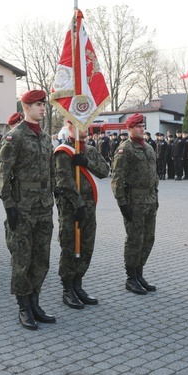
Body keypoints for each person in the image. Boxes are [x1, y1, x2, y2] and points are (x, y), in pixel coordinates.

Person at [0, 89, 56, 330]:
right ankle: (23, 306)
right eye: (39, 104)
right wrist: (9, 206)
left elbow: (51, 172)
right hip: (23, 207)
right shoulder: (15, 136)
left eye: (44, 104)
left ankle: (35, 302)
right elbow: (3, 174)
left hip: (43, 205)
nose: (43, 108)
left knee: (41, 258)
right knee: (22, 258)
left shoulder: (45, 137)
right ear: (27, 107)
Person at [54, 120, 109, 309]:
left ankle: (78, 284)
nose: (85, 128)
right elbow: (64, 181)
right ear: (70, 128)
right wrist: (78, 205)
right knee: (70, 245)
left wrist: (86, 162)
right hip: (71, 206)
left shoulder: (91, 150)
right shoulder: (64, 151)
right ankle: (68, 288)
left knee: (86, 245)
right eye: (80, 125)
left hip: (89, 205)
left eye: (87, 125)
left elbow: (104, 171)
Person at [111, 113, 159, 295]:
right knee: (134, 240)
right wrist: (123, 204)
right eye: (138, 126)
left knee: (148, 239)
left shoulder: (149, 148)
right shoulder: (125, 149)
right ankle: (131, 277)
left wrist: (156, 196)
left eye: (143, 125)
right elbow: (117, 178)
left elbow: (155, 175)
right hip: (134, 202)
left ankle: (139, 273)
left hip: (150, 200)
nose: (142, 128)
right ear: (129, 128)